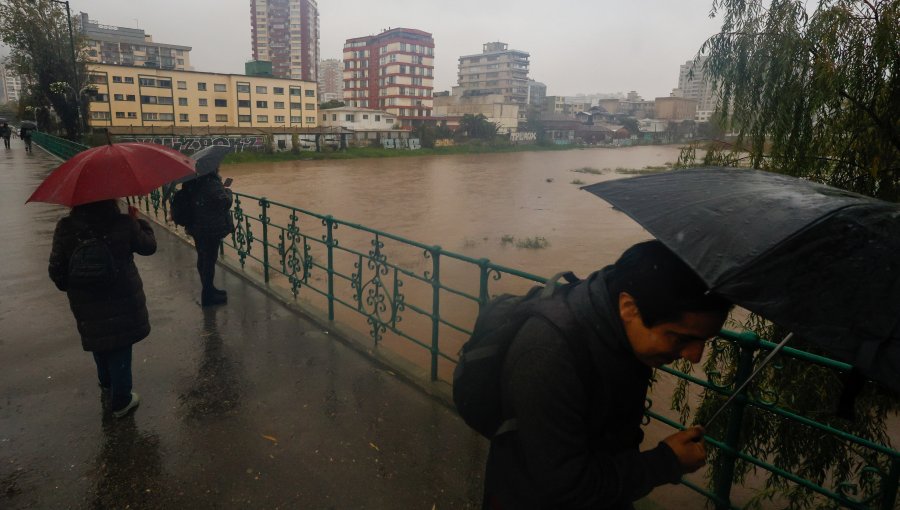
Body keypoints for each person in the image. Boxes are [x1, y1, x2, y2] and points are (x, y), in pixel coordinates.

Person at [482, 240, 732, 510]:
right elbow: (567, 487)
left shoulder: (612, 321)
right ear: (629, 308)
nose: (695, 356)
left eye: (704, 341)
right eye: (680, 338)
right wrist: (666, 462)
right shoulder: (548, 355)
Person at [48, 200, 157, 419]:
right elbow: (149, 246)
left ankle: (107, 384)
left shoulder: (66, 228)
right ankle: (122, 401)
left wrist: (77, 284)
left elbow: (57, 273)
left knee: (100, 341)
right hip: (122, 298)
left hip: (86, 303)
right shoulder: (123, 223)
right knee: (120, 346)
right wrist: (138, 222)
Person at [182, 169, 234, 306]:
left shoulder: (192, 180)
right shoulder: (211, 182)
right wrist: (227, 190)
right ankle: (208, 295)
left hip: (196, 226)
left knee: (202, 256)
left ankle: (209, 289)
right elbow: (225, 202)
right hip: (210, 228)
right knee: (209, 260)